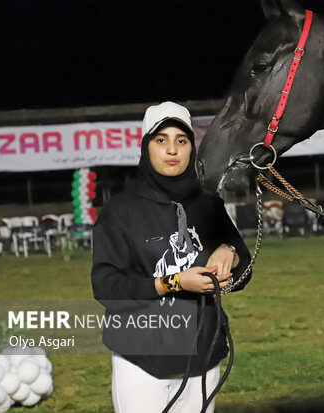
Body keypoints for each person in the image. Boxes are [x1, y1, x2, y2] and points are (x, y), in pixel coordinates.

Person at [91, 101, 251, 413]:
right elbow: (107, 288)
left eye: (181, 140)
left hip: (203, 357)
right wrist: (173, 283)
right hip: (142, 360)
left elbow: (244, 265)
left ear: (192, 147)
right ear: (145, 147)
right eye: (160, 140)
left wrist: (228, 253)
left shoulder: (208, 205)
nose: (172, 150)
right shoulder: (120, 211)